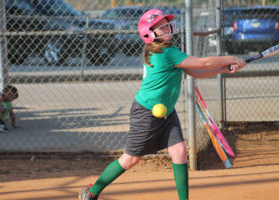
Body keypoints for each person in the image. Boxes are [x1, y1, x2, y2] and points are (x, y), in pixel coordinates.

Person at [79, 9, 246, 200]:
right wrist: (231, 58)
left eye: (166, 24)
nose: (166, 28)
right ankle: (92, 192)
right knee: (130, 159)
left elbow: (195, 71)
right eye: (159, 27)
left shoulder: (166, 50)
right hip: (146, 112)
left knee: (180, 151)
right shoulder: (166, 53)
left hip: (166, 111)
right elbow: (204, 63)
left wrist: (224, 68)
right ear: (149, 34)